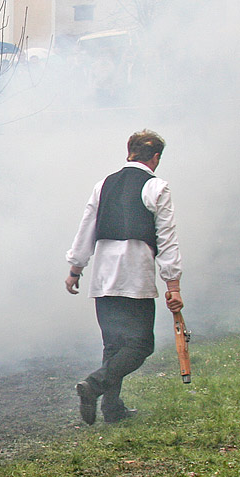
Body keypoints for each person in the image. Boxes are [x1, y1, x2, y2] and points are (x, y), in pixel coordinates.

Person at [65, 130, 183, 424]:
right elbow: (166, 239)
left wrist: (75, 269)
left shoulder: (103, 185)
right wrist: (173, 285)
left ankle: (112, 408)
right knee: (141, 344)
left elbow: (86, 228)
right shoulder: (157, 187)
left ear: (129, 151)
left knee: (114, 344)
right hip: (135, 275)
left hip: (104, 276)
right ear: (155, 158)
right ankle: (94, 385)